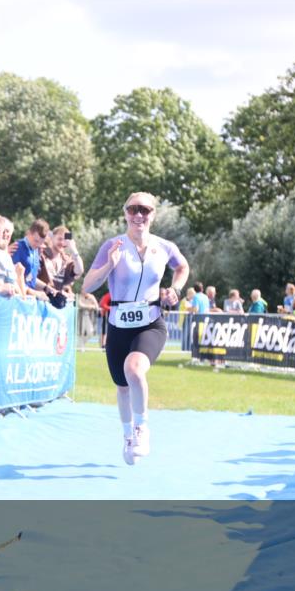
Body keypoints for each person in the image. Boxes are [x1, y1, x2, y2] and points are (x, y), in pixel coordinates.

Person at [81, 192, 189, 466]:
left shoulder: (164, 246)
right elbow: (87, 285)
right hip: (118, 325)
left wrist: (175, 290)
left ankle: (142, 428)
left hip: (151, 322)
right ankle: (128, 435)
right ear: (125, 212)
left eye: (145, 210)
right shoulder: (112, 245)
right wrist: (109, 265)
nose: (138, 215)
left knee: (134, 369)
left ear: (153, 214)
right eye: (133, 209)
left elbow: (182, 266)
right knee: (123, 387)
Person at [12, 219, 51, 301]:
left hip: (30, 299)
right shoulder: (17, 247)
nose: (38, 245)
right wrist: (31, 292)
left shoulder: (35, 250)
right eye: (36, 241)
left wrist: (46, 288)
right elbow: (14, 277)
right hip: (18, 298)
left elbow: (30, 277)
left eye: (41, 242)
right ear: (29, 233)